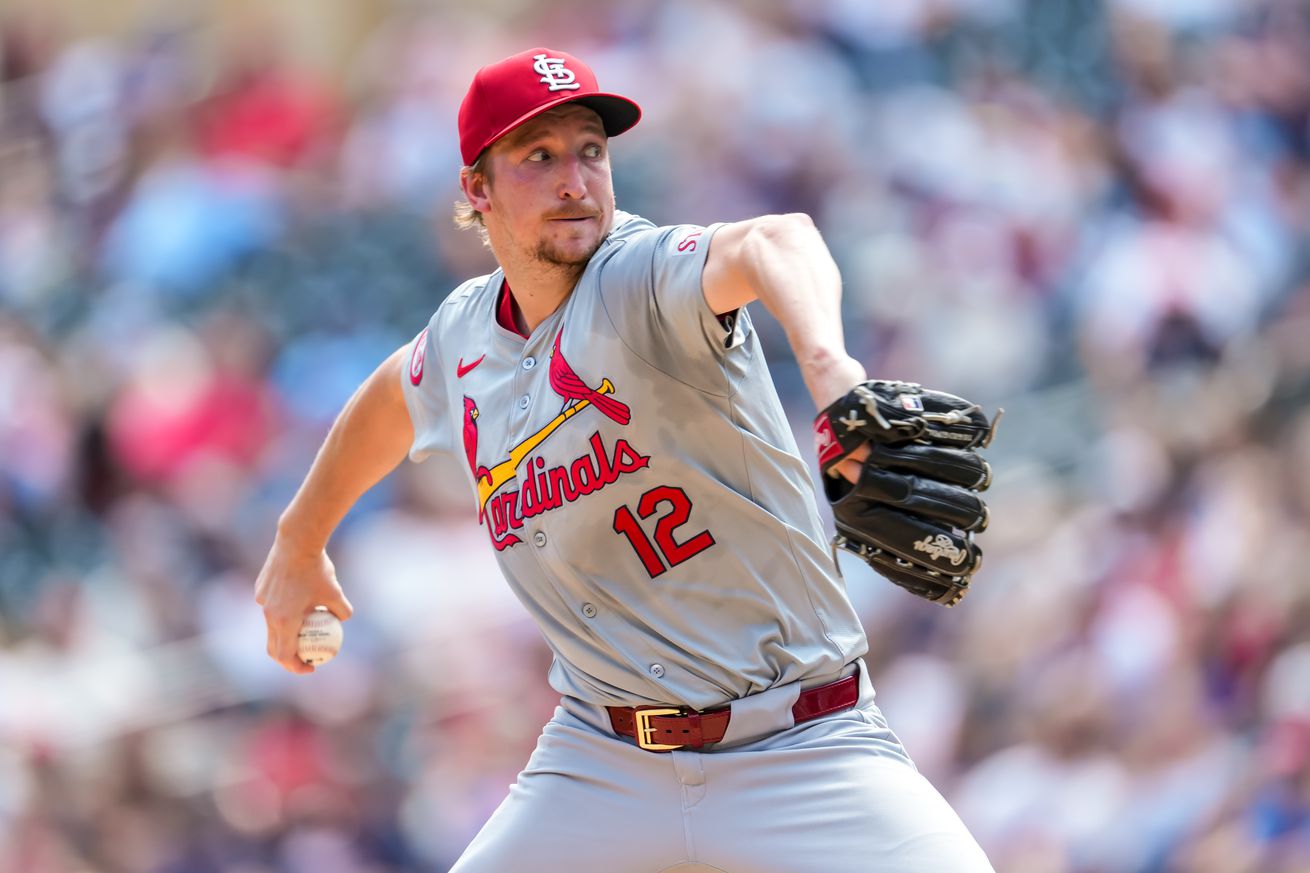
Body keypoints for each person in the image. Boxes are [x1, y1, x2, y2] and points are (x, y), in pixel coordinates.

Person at [255, 47, 996, 872]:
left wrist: (833, 375)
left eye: (591, 151)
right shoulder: (467, 334)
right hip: (602, 762)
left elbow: (775, 240)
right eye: (539, 156)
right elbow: (396, 393)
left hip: (802, 745)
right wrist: (299, 536)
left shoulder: (636, 276)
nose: (575, 178)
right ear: (477, 189)